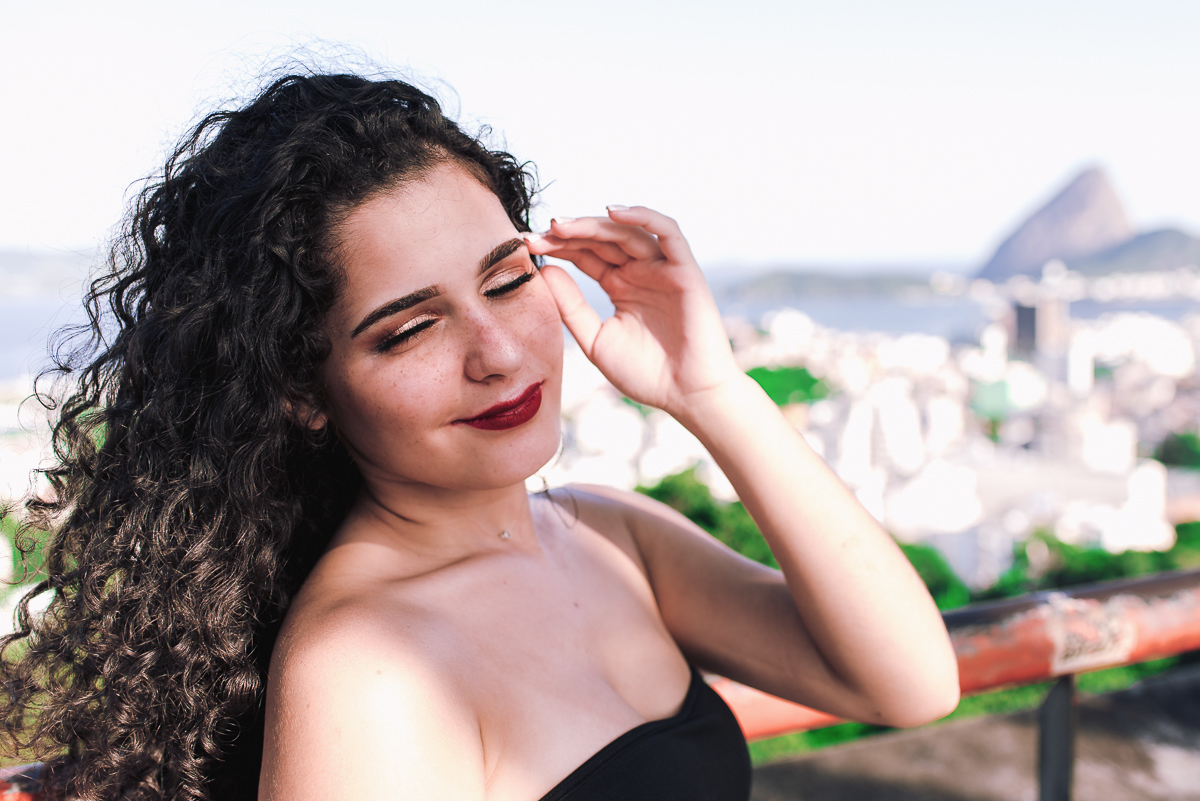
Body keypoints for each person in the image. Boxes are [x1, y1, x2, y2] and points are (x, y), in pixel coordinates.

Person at [0, 71, 959, 801]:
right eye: (411, 328)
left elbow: (907, 683)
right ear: (302, 388)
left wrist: (711, 391)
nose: (498, 352)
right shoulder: (363, 666)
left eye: (506, 279)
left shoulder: (607, 535)